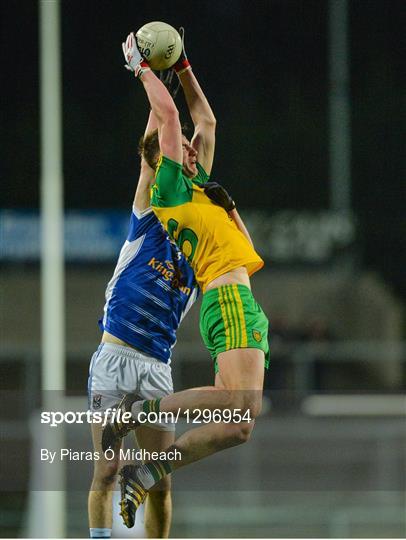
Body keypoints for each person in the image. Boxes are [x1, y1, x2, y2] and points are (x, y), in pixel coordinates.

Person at [103, 30, 270, 529]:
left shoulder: (198, 190)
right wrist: (143, 70)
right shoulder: (170, 192)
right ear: (164, 164)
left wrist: (184, 67)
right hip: (227, 297)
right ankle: (142, 411)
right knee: (244, 404)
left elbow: (206, 120)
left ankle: (148, 470)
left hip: (240, 302)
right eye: (182, 152)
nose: (194, 150)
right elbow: (172, 118)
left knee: (237, 425)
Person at [87, 110, 199, 539]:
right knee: (108, 469)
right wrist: (156, 80)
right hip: (114, 356)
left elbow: (203, 151)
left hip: (155, 365)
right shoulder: (148, 216)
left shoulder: (200, 252)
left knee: (159, 479)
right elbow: (154, 151)